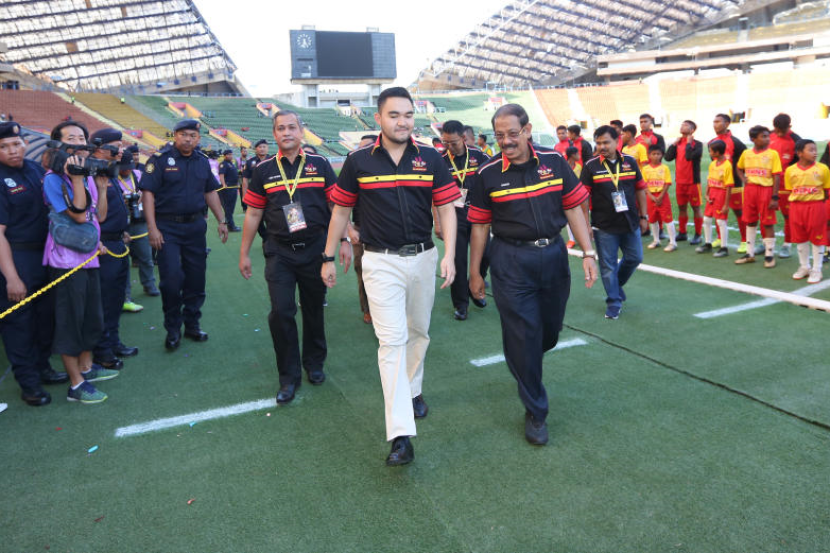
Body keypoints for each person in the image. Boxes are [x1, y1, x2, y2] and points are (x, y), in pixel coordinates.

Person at [321, 87, 458, 467]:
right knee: (391, 343)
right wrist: (328, 255)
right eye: (394, 115)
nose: (402, 122)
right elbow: (340, 211)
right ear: (378, 118)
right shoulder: (357, 161)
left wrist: (450, 254)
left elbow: (447, 207)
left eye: (408, 115)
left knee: (418, 332)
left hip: (424, 258)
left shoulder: (430, 157)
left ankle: (413, 389)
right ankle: (400, 434)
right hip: (380, 262)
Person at [467, 103, 597, 445]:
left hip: (553, 256)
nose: (506, 141)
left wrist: (588, 252)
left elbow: (573, 207)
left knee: (547, 334)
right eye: (499, 135)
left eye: (512, 133)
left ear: (527, 130)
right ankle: (536, 411)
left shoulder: (554, 161)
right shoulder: (486, 173)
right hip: (509, 260)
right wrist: (475, 272)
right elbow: (479, 227)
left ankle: (520, 353)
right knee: (525, 335)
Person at [239, 110, 348, 404]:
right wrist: (244, 253)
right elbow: (253, 213)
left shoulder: (320, 164)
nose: (286, 132)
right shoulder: (263, 170)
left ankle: (314, 363)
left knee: (313, 308)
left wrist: (345, 239)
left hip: (315, 249)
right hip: (279, 251)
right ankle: (288, 376)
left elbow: (337, 206)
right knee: (281, 311)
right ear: (274, 134)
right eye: (280, 128)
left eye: (291, 127)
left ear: (301, 132)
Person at [43, 121, 119, 404]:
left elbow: (98, 217)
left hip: (89, 257)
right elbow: (77, 215)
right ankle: (75, 384)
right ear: (58, 145)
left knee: (91, 317)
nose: (78, 143)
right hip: (65, 261)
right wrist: (76, 179)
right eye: (71, 138)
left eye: (81, 138)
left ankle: (86, 367)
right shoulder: (53, 179)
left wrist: (101, 187)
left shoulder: (87, 175)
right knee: (70, 321)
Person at [139, 119, 229, 350]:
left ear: (198, 138)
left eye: (193, 135)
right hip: (167, 228)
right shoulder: (159, 160)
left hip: (195, 227)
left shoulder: (202, 161)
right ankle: (172, 329)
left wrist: (222, 220)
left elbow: (210, 192)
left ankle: (192, 325)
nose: (188, 139)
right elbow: (148, 194)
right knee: (171, 281)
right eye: (183, 135)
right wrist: (152, 228)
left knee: (196, 279)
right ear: (175, 136)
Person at [0, 122, 67, 407]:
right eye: (3, 147)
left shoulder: (36, 170)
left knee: (44, 318)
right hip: (16, 257)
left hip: (45, 255)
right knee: (19, 324)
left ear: (25, 144)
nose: (12, 150)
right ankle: (28, 383)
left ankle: (42, 367)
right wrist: (11, 277)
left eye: (16, 144)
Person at [581, 125, 648, 320]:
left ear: (617, 142)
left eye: (606, 142)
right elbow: (583, 198)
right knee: (608, 266)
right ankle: (613, 302)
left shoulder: (630, 162)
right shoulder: (590, 166)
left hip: (630, 221)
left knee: (635, 257)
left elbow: (640, 189)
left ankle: (615, 286)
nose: (602, 146)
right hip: (604, 225)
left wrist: (644, 216)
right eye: (598, 143)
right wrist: (586, 224)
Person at [87, 129, 139, 371]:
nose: (121, 150)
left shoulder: (109, 169)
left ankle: (113, 342)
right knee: (105, 300)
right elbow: (94, 214)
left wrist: (122, 230)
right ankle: (102, 350)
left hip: (117, 241)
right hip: (103, 246)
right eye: (116, 145)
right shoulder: (91, 172)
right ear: (99, 148)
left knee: (116, 298)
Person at [439, 120, 489, 321]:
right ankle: (461, 305)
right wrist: (438, 222)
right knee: (457, 260)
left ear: (463, 138)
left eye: (453, 142)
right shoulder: (440, 160)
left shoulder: (480, 156)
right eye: (445, 142)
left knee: (487, 255)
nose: (449, 146)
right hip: (454, 217)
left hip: (479, 216)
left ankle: (474, 286)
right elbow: (434, 194)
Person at [735, 125, 783, 268]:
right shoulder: (746, 153)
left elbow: (777, 176)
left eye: (768, 136)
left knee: (767, 222)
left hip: (766, 190)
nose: (767, 139)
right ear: (753, 139)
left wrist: (775, 197)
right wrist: (743, 179)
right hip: (750, 190)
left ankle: (769, 255)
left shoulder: (773, 154)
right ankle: (749, 254)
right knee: (750, 221)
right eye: (763, 136)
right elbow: (738, 167)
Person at [785, 139, 830, 283]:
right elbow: (790, 190)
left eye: (815, 149)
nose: (815, 153)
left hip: (816, 206)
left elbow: (826, 190)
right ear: (799, 153)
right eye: (811, 150)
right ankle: (804, 267)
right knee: (800, 237)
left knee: (817, 237)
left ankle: (817, 269)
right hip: (796, 207)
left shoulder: (823, 168)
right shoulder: (790, 170)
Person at [117, 153, 158, 304]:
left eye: (129, 167)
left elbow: (148, 191)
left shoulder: (138, 174)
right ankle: (125, 293)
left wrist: (141, 195)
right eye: (123, 168)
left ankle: (149, 284)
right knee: (122, 261)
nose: (126, 170)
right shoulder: (113, 177)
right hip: (122, 223)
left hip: (139, 220)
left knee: (146, 256)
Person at [347, 134, 378, 325]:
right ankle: (367, 309)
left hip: (384, 230)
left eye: (365, 146)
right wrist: (350, 231)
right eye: (359, 147)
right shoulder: (355, 169)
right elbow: (340, 206)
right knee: (363, 271)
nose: (360, 150)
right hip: (361, 230)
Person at [711, 113, 748, 252]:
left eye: (718, 121)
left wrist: (741, 176)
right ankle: (720, 238)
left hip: (734, 184)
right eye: (714, 122)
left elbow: (745, 161)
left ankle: (744, 240)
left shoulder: (736, 142)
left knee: (739, 212)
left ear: (727, 124)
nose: (715, 124)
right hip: (718, 185)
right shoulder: (712, 142)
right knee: (718, 211)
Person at [665, 120, 703, 244]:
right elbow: (667, 157)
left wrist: (688, 143)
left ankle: (698, 234)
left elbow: (689, 156)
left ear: (692, 130)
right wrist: (673, 144)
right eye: (682, 124)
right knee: (682, 207)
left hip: (693, 182)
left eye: (685, 125)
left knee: (696, 208)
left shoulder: (697, 144)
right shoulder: (678, 143)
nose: (682, 126)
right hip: (680, 182)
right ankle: (682, 233)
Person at [769, 113, 802, 259]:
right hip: (767, 183)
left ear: (789, 126)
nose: (779, 133)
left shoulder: (796, 140)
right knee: (766, 213)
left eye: (782, 131)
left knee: (788, 215)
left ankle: (787, 244)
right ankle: (766, 242)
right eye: (777, 130)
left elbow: (800, 164)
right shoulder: (769, 135)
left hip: (786, 185)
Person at [697, 140, 734, 258]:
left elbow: (729, 186)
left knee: (721, 221)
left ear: (717, 152)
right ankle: (708, 244)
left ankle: (724, 248)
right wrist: (706, 194)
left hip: (721, 194)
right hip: (712, 193)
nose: (710, 153)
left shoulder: (727, 165)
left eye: (711, 151)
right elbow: (710, 180)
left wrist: (726, 205)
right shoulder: (712, 164)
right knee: (707, 219)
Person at [642, 145, 677, 252]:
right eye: (653, 154)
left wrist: (661, 196)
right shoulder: (645, 169)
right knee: (652, 219)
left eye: (658, 154)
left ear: (662, 155)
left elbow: (667, 183)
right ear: (649, 155)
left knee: (668, 219)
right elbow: (644, 185)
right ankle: (656, 240)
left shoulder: (664, 168)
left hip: (662, 196)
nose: (656, 156)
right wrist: (651, 196)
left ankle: (673, 242)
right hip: (650, 197)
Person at [218, 149, 241, 231]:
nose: (230, 156)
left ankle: (228, 224)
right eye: (228, 154)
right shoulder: (223, 164)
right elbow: (221, 175)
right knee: (228, 208)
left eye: (231, 154)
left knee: (231, 208)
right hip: (227, 189)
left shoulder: (231, 163)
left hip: (233, 188)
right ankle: (231, 226)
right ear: (225, 156)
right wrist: (224, 184)